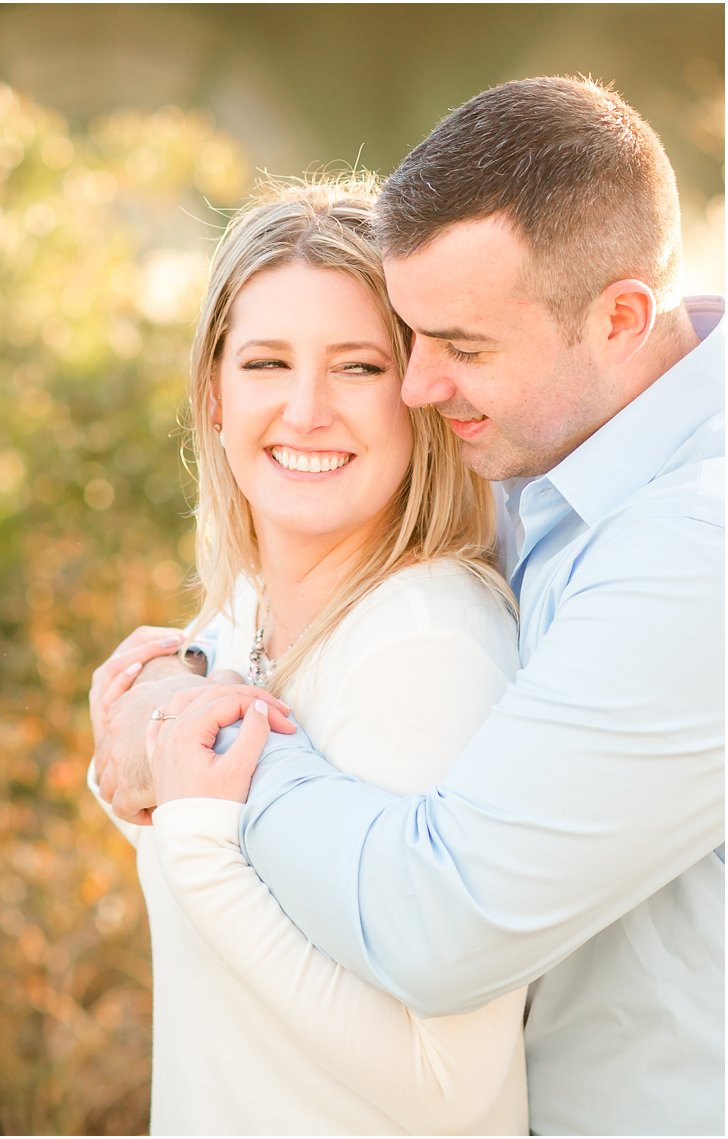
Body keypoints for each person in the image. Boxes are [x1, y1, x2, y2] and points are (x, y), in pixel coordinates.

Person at [95, 76, 724, 1135]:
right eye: (413, 339)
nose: (419, 388)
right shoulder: (559, 457)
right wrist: (184, 684)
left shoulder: (684, 543)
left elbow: (440, 924)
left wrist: (200, 739)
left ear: (621, 318)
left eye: (456, 348)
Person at [87, 178, 528, 1134]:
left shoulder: (426, 650)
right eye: (266, 362)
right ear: (212, 393)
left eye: (359, 367)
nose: (306, 409)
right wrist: (135, 752)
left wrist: (199, 843)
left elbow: (449, 1085)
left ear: (418, 393)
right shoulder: (239, 617)